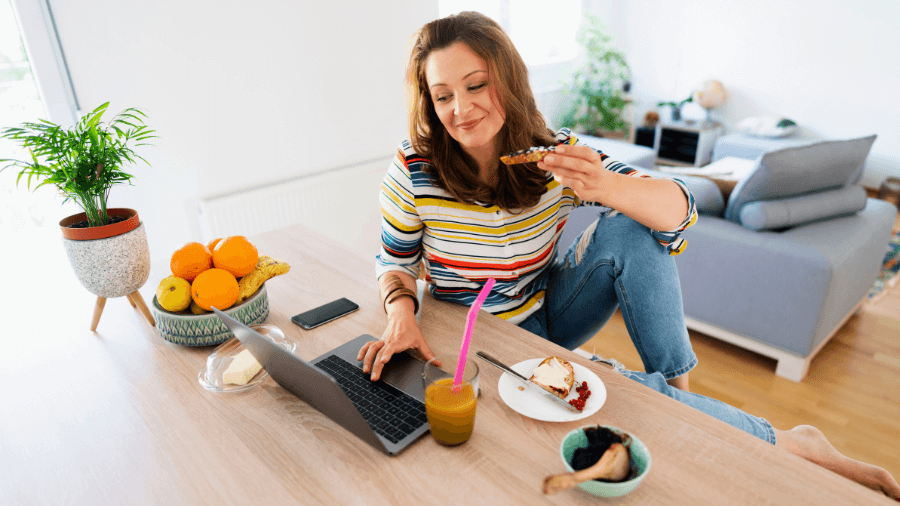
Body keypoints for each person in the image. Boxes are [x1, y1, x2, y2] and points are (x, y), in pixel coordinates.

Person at [358, 11, 900, 499]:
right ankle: (787, 440)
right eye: (443, 95)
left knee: (633, 229)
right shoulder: (413, 170)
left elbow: (681, 211)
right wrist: (401, 314)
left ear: (508, 79)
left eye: (476, 85)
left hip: (546, 314)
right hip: (478, 335)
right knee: (619, 388)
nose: (461, 108)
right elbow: (395, 261)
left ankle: (679, 396)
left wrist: (601, 184)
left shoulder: (555, 155)